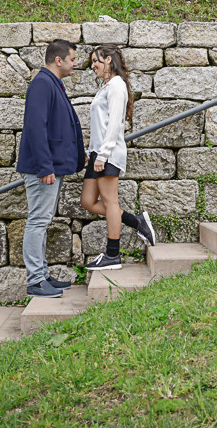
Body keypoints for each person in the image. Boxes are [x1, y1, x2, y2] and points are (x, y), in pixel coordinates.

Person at [17, 39, 86, 298]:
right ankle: (35, 280)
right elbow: (35, 127)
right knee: (37, 221)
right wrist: (45, 166)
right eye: (72, 59)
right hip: (42, 169)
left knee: (42, 221)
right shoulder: (42, 84)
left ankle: (42, 275)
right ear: (58, 60)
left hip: (49, 167)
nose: (75, 64)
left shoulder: (51, 83)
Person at [80, 44, 156, 271]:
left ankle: (112, 254)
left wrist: (102, 154)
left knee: (111, 202)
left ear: (109, 61)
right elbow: (101, 124)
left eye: (96, 60)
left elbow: (115, 125)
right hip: (98, 152)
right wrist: (91, 152)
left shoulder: (116, 86)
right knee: (88, 201)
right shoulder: (107, 87)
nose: (92, 65)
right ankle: (136, 222)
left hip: (108, 154)